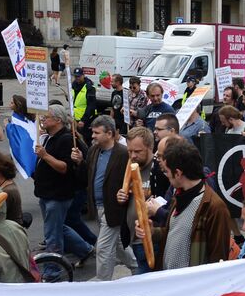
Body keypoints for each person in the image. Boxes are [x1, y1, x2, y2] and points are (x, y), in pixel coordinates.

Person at [140, 136, 234, 269]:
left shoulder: (214, 207)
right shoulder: (178, 196)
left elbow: (218, 259)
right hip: (170, 280)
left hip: (192, 286)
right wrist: (152, 232)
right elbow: (175, 232)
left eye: (167, 172)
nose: (166, 175)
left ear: (178, 173)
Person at [32, 104, 92, 277]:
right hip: (46, 193)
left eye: (47, 117)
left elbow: (64, 167)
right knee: (59, 227)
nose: (43, 119)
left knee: (52, 234)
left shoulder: (65, 139)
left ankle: (52, 269)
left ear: (58, 120)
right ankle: (84, 249)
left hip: (57, 195)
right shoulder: (50, 137)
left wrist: (45, 156)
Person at [85, 115, 136, 280]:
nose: (93, 136)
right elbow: (87, 175)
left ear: (109, 134)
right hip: (98, 207)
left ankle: (102, 284)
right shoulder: (93, 150)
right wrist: (79, 162)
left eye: (96, 133)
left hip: (113, 208)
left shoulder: (123, 154)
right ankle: (138, 267)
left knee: (103, 248)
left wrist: (125, 196)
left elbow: (132, 181)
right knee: (120, 244)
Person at [117, 126, 158, 275]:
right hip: (133, 238)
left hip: (151, 241)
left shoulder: (158, 169)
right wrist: (121, 197)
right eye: (129, 151)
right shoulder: (130, 167)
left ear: (150, 147)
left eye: (137, 151)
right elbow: (127, 197)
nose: (132, 155)